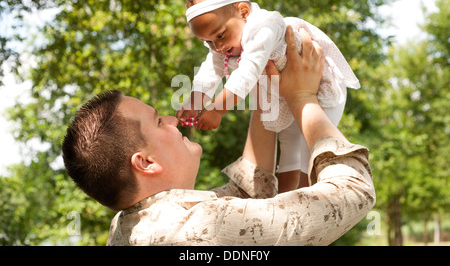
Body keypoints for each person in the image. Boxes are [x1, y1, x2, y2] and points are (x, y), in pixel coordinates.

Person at [62, 26, 375, 245]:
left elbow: (250, 194)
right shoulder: (199, 230)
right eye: (158, 122)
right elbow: (353, 194)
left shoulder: (133, 225)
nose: (172, 119)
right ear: (145, 162)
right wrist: (303, 97)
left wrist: (266, 87)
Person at [176, 0, 360, 192]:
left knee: (306, 149)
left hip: (319, 90)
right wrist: (196, 100)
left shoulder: (265, 26)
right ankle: (285, 199)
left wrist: (217, 109)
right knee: (289, 143)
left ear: (243, 12)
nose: (217, 47)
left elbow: (247, 72)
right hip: (283, 95)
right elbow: (210, 69)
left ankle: (309, 196)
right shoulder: (225, 42)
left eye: (220, 36)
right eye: (208, 42)